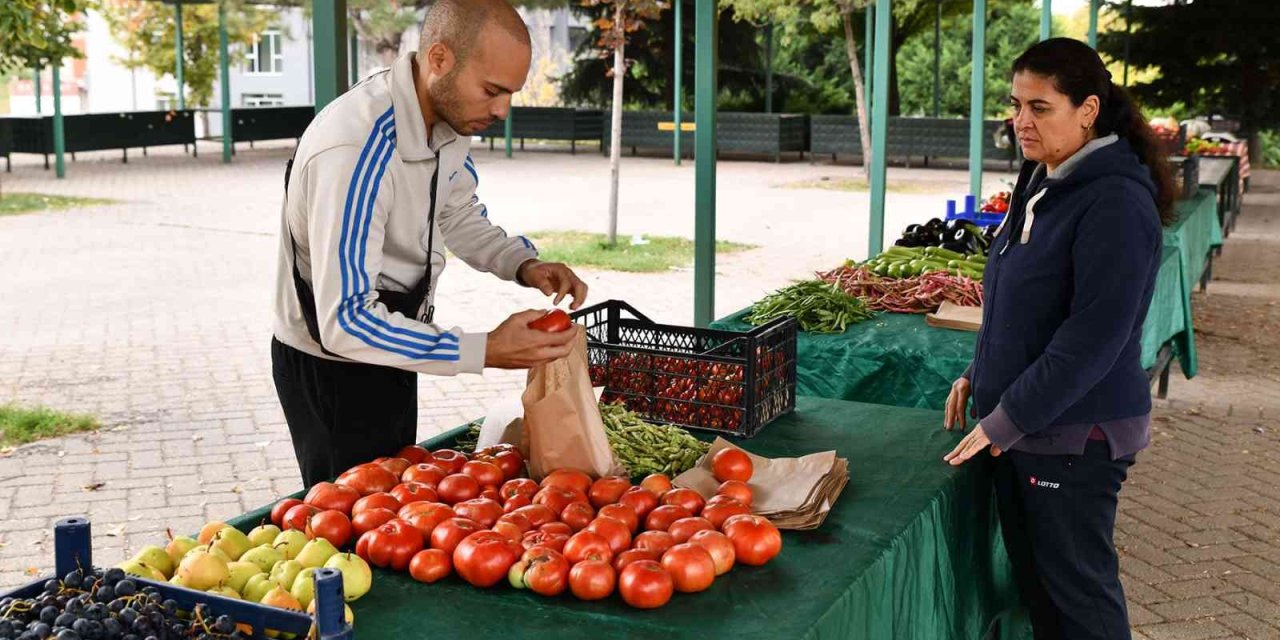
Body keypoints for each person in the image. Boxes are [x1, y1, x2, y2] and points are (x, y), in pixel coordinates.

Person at [271, 0, 588, 487]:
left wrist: (523, 264)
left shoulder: (444, 120)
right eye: (492, 91)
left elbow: (456, 211)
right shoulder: (356, 152)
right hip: (333, 366)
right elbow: (346, 322)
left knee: (396, 500)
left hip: (392, 341)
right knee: (350, 528)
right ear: (438, 59)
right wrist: (485, 349)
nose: (501, 110)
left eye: (510, 94)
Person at [941, 38, 1177, 640]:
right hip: (1033, 431)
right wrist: (980, 371)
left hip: (1075, 437)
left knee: (1079, 602)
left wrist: (1007, 416)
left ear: (1088, 110)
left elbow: (1094, 337)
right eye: (1015, 105)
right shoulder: (1043, 175)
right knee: (1044, 599)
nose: (1020, 121)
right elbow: (1018, 295)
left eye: (1039, 107)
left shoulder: (1116, 202)